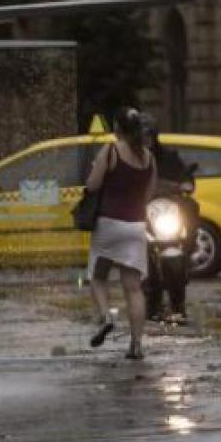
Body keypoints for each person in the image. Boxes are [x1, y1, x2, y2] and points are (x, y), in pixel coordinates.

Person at [86, 107, 158, 359]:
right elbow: (149, 194)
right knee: (133, 288)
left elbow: (92, 184)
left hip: (108, 223)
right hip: (136, 226)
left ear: (117, 128)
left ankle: (106, 317)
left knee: (98, 276)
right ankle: (136, 345)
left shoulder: (111, 150)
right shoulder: (148, 157)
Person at [143, 126, 199, 323]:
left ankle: (190, 247)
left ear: (154, 136)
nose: (146, 139)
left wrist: (187, 183)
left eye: (148, 135)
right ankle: (148, 297)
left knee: (192, 206)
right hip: (142, 208)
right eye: (141, 136)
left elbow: (185, 177)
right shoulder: (131, 158)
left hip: (167, 206)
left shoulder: (169, 156)